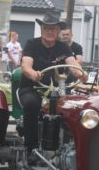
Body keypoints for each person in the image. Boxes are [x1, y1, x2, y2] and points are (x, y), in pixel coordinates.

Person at [19, 13, 87, 160]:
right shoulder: (32, 44)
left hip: (57, 91)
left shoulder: (63, 47)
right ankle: (31, 148)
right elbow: (26, 66)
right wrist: (33, 74)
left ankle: (70, 149)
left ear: (58, 31)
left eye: (53, 29)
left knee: (74, 108)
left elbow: (73, 65)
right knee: (32, 104)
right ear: (42, 30)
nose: (49, 31)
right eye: (46, 28)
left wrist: (81, 74)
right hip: (32, 88)